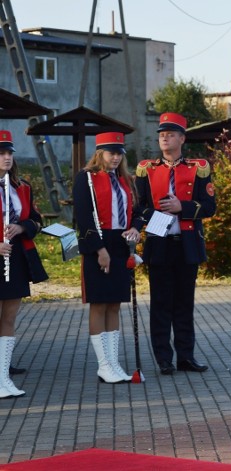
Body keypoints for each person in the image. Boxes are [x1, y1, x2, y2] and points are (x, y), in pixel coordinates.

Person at [134, 113, 216, 375]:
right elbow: (138, 209)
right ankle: (163, 358)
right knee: (160, 303)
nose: (164, 138)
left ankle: (186, 356)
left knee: (184, 303)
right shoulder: (147, 169)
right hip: (159, 243)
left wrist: (183, 207)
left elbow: (210, 206)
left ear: (182, 138)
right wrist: (155, 216)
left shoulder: (198, 167)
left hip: (187, 244)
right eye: (161, 135)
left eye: (170, 134)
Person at [73, 132, 141, 384]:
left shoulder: (125, 179)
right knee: (99, 303)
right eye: (110, 152)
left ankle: (113, 363)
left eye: (119, 152)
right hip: (98, 244)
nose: (115, 157)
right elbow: (83, 216)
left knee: (115, 304)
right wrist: (99, 250)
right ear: (99, 153)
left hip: (121, 244)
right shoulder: (86, 178)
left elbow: (137, 209)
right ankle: (103, 365)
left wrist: (135, 227)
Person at [0, 130, 48, 398]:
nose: (7, 157)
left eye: (9, 153)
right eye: (1, 153)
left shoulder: (22, 187)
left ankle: (3, 375)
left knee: (9, 316)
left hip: (16, 257)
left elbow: (36, 221)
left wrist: (21, 227)